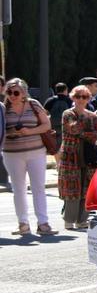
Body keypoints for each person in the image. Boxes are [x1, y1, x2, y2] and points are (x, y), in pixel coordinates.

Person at [2, 78, 54, 235]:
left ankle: (43, 223)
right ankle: (23, 224)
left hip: (36, 152)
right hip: (12, 154)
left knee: (38, 187)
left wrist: (29, 131)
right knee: (18, 189)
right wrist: (11, 133)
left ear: (24, 93)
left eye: (16, 92)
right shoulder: (4, 108)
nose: (12, 95)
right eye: (9, 92)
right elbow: (1, 131)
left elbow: (47, 125)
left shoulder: (34, 104)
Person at [58, 86, 97, 230]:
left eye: (84, 97)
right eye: (78, 96)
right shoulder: (67, 113)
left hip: (88, 157)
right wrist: (87, 131)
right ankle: (69, 220)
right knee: (72, 190)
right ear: (73, 97)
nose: (81, 100)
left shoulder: (93, 116)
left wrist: (83, 132)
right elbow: (73, 128)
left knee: (86, 190)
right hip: (71, 157)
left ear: (89, 98)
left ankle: (82, 220)